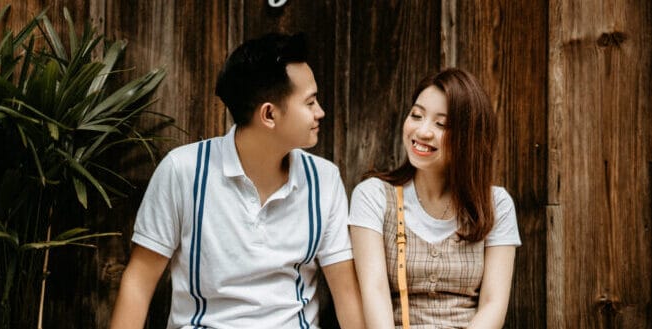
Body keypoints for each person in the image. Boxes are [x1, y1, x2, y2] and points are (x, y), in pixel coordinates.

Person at [110, 33, 364, 329]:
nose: (320, 112)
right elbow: (139, 282)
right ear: (269, 114)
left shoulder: (324, 179)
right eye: (310, 102)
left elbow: (346, 293)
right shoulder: (183, 171)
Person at [349, 68, 521, 328]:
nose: (423, 131)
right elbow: (375, 293)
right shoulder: (373, 196)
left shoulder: (496, 204)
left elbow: (493, 305)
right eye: (416, 115)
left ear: (469, 137)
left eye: (441, 124)